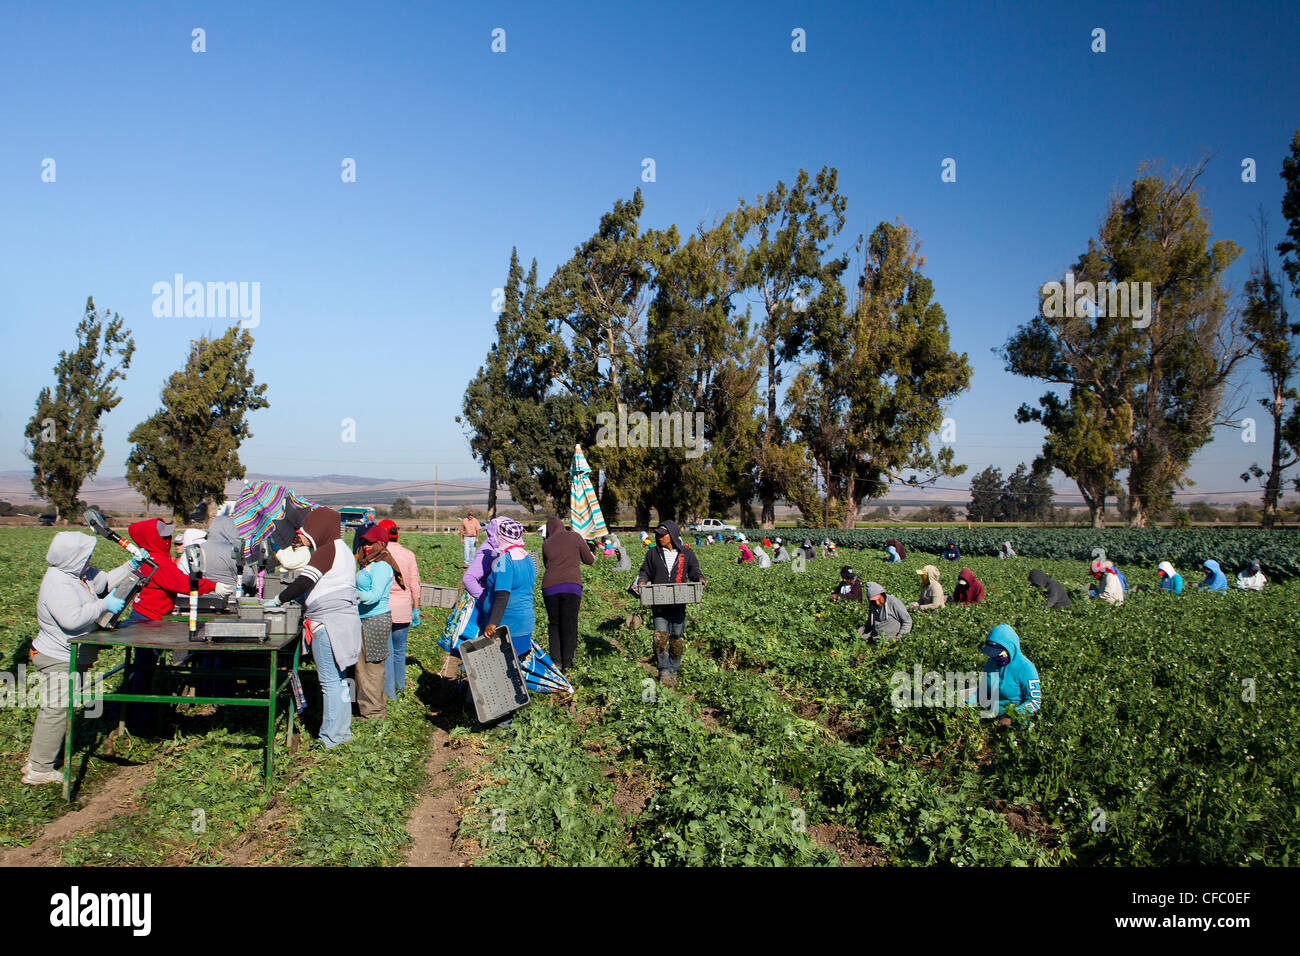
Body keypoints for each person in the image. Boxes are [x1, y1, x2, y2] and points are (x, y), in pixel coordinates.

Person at [22, 533, 134, 785]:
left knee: (57, 708)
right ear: (72, 557)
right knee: (56, 709)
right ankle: (39, 769)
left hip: (69, 654)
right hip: (58, 655)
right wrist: (104, 606)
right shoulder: (58, 584)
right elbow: (72, 620)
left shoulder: (76, 575)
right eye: (85, 557)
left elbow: (104, 581)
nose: (89, 560)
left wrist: (131, 566)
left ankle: (37, 759)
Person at [122, 519, 233, 729]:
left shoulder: (155, 558)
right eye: (163, 536)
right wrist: (213, 586)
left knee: (143, 667)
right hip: (147, 620)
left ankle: (130, 714)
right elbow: (180, 583)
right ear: (153, 539)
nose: (168, 539)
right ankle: (138, 719)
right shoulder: (157, 560)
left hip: (149, 617)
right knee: (143, 669)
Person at [268, 508, 362, 749]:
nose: (306, 534)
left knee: (329, 682)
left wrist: (278, 599)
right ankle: (343, 732)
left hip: (328, 623)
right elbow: (327, 585)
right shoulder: (343, 550)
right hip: (344, 621)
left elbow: (304, 581)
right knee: (340, 680)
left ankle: (331, 738)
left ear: (319, 528)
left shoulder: (327, 550)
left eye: (309, 529)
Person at [477, 519, 538, 722]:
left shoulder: (504, 561)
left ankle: (505, 718)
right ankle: (516, 708)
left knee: (503, 670)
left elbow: (502, 594)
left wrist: (492, 623)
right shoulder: (526, 557)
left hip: (508, 624)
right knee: (514, 666)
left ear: (501, 536)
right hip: (525, 620)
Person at [634, 521, 705, 688]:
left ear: (672, 535)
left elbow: (694, 569)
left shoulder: (686, 553)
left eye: (662, 535)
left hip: (679, 603)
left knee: (676, 638)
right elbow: (645, 571)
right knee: (659, 637)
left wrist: (699, 578)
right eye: (657, 535)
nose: (659, 538)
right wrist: (642, 581)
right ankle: (664, 669)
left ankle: (674, 669)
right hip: (658, 603)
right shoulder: (652, 554)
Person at [352, 525, 401, 719]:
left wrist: (350, 592)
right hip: (366, 619)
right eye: (365, 542)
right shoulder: (370, 563)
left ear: (381, 544)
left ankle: (373, 713)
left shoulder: (381, 566)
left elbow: (374, 596)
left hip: (374, 620)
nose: (366, 546)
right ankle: (372, 708)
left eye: (371, 543)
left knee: (371, 668)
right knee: (364, 666)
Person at [541, 516, 595, 673]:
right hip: (571, 586)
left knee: (554, 624)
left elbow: (546, 564)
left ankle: (556, 662)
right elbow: (589, 560)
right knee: (569, 624)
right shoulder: (575, 537)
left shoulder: (546, 543)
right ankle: (568, 663)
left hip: (549, 588)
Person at [374, 520, 420, 700]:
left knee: (387, 653)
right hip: (403, 609)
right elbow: (414, 583)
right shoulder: (409, 555)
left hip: (384, 608)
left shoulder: (379, 554)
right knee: (400, 651)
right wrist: (416, 608)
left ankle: (389, 695)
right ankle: (400, 688)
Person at [970, 624, 1041, 727]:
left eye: (998, 654)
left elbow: (1034, 701)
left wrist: (1011, 716)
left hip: (1014, 723)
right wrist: (967, 701)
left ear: (1010, 648)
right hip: (991, 715)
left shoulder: (1025, 668)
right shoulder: (991, 663)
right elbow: (983, 689)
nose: (995, 658)